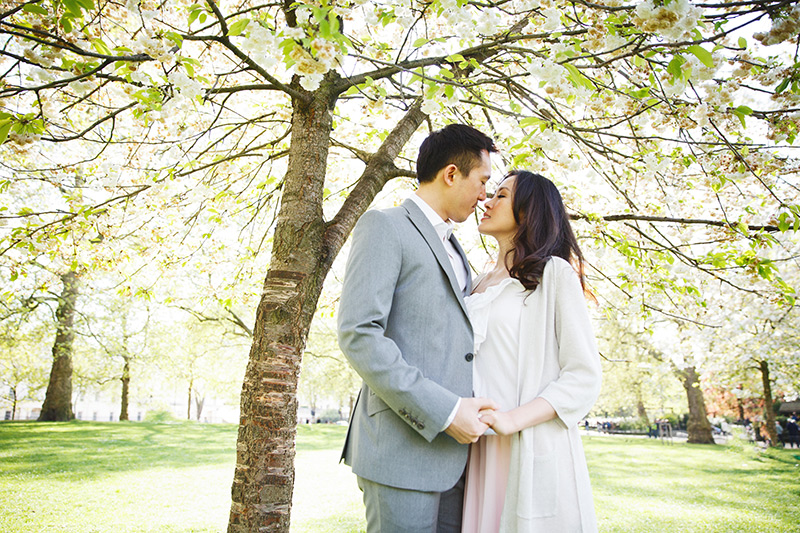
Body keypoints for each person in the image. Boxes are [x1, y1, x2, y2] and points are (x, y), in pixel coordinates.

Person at [338, 124, 500, 532]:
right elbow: (360, 333)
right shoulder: (384, 226)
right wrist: (445, 411)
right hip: (400, 449)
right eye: (482, 182)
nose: (485, 195)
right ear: (451, 174)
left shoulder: (456, 246)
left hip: (456, 455)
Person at [462, 171, 603, 532]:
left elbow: (583, 376)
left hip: (530, 443)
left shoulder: (553, 275)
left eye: (501, 195)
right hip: (479, 446)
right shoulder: (476, 283)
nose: (487, 201)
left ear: (527, 212)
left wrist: (512, 420)